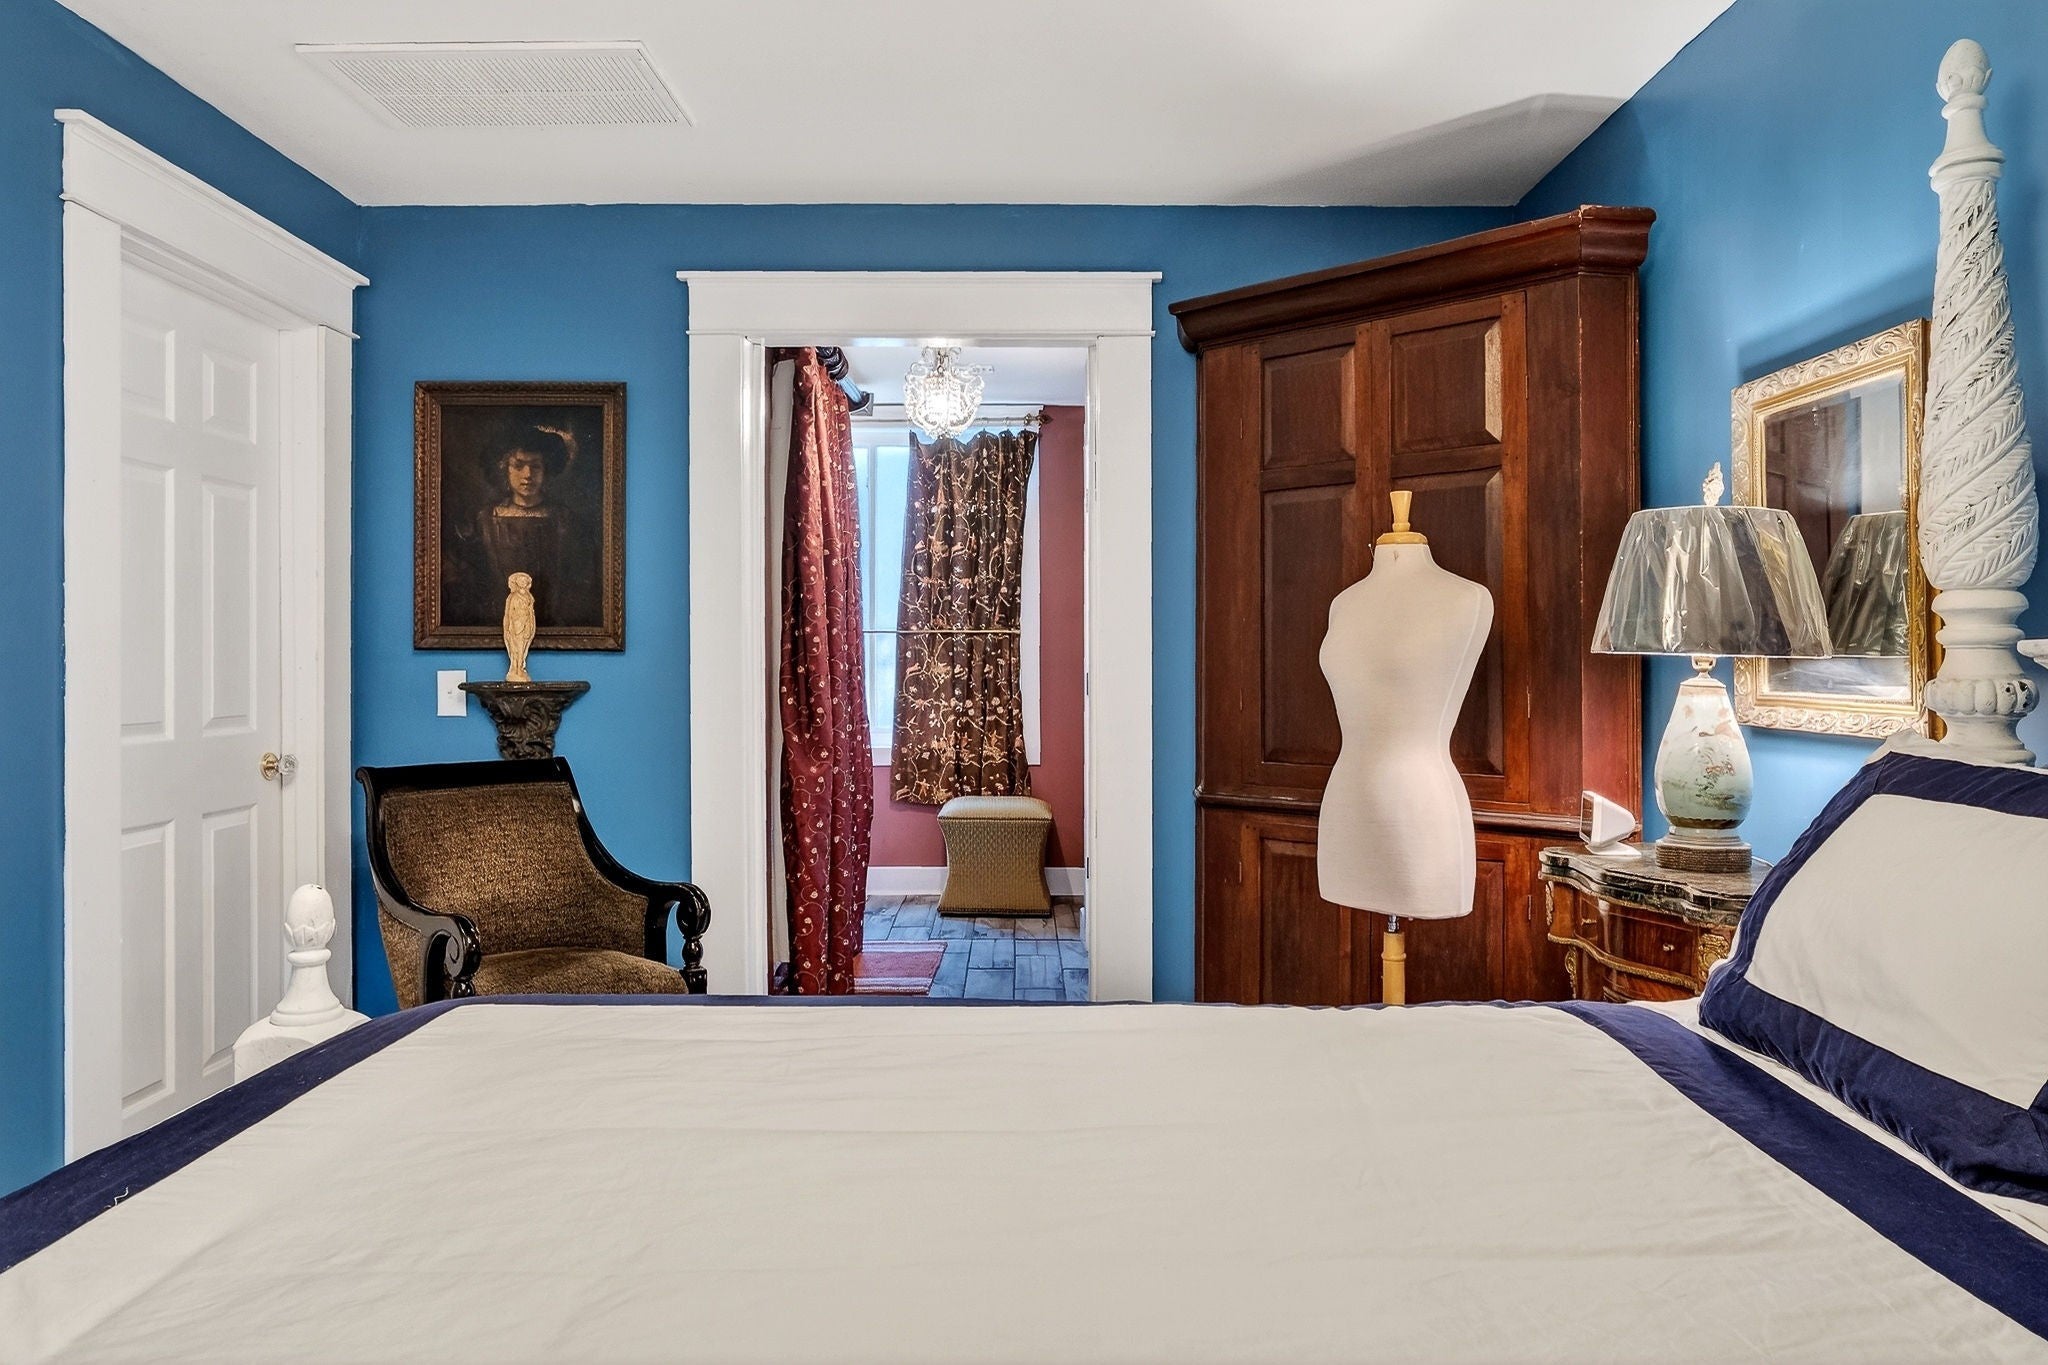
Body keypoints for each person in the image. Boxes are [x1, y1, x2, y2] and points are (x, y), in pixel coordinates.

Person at [447, 424, 596, 628]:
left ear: (546, 470)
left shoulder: (564, 520)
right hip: (497, 622)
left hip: (553, 623)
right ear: (504, 469)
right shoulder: (485, 520)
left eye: (536, 466)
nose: (527, 474)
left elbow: (579, 580)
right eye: (518, 466)